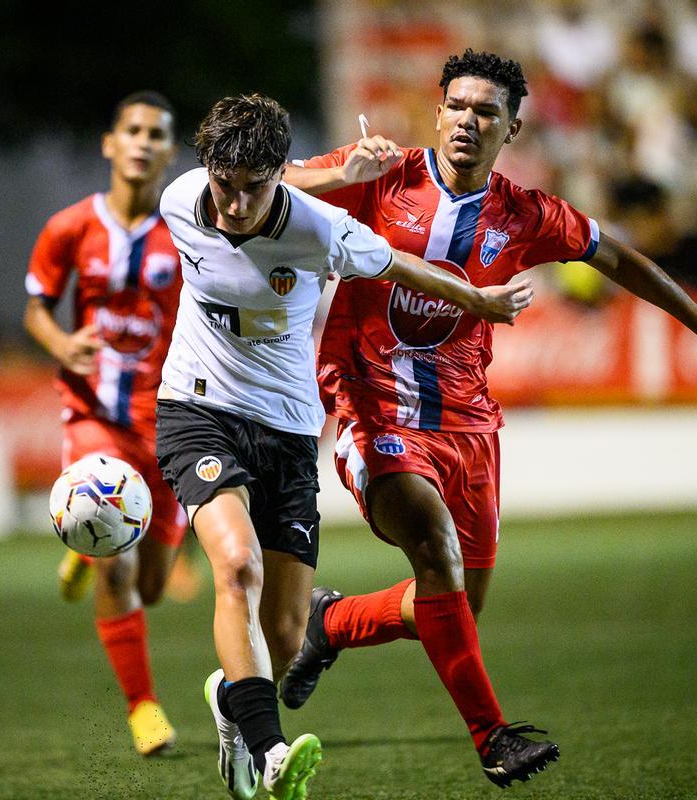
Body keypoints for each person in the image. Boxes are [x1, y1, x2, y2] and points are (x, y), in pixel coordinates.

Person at [279, 50, 697, 789]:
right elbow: (270, 189)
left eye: (486, 111)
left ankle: (329, 624)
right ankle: (493, 738)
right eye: (456, 105)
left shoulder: (526, 214)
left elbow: (620, 260)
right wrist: (339, 173)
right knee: (432, 544)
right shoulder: (379, 176)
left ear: (511, 128)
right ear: (437, 110)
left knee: (452, 603)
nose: (467, 120)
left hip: (470, 425)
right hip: (370, 404)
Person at [155, 93, 533, 800]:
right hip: (197, 412)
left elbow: (397, 266)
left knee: (287, 638)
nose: (234, 204)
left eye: (253, 186)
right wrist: (334, 171)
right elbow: (253, 187)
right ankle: (270, 752)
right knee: (235, 566)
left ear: (277, 173)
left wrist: (480, 301)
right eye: (222, 184)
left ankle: (235, 706)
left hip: (289, 433)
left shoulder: (319, 228)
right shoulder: (180, 200)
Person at [23, 91, 190, 757]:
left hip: (170, 424)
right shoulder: (70, 227)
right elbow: (36, 306)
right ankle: (144, 706)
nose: (144, 142)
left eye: (157, 134)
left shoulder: (186, 233)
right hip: (94, 414)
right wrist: (60, 345)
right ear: (109, 143)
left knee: (152, 584)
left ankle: (82, 543)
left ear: (171, 153)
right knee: (119, 571)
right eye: (133, 131)